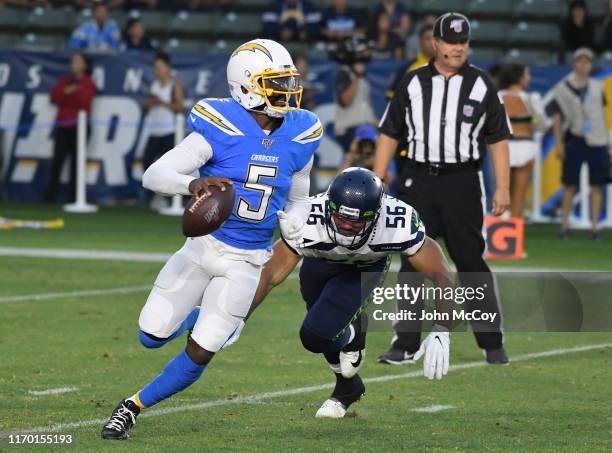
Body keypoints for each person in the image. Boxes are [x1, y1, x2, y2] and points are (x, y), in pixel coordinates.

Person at [100, 39, 322, 440]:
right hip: (203, 248)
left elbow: (300, 190)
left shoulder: (302, 131)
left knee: (202, 351)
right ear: (246, 85)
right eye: (276, 82)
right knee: (150, 336)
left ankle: (131, 407)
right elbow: (153, 175)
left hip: (249, 260)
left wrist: (298, 223)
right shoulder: (219, 124)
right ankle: (197, 314)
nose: (288, 91)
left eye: (289, 81)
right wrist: (194, 182)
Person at [232, 168, 455, 418]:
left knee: (315, 335)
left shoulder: (397, 222)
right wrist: (238, 316)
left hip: (364, 269)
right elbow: (269, 274)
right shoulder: (306, 218)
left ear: (376, 216)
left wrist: (442, 328)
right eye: (341, 219)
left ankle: (352, 333)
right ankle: (348, 386)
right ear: (329, 208)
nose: (347, 226)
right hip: (318, 264)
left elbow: (441, 273)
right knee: (324, 331)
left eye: (356, 221)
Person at [374, 12, 511, 365]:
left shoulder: (482, 85)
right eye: (450, 42)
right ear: (435, 43)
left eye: (462, 42)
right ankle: (404, 343)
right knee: (412, 261)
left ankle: (491, 342)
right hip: (417, 180)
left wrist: (503, 187)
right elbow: (389, 131)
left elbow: (498, 139)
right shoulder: (412, 83)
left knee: (469, 261)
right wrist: (378, 177)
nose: (457, 48)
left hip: (462, 181)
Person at [550, 47, 609, 240]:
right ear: (574, 63)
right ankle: (564, 225)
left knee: (597, 185)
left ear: (591, 65)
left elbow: (603, 114)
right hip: (575, 139)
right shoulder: (563, 87)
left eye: (587, 62)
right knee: (569, 184)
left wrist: (608, 141)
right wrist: (558, 142)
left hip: (598, 139)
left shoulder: (598, 86)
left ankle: (594, 227)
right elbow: (557, 116)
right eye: (580, 61)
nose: (584, 65)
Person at [498, 62, 548, 218]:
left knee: (502, 194)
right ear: (518, 77)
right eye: (526, 74)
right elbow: (542, 124)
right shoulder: (532, 98)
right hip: (525, 146)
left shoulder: (497, 96)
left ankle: (500, 236)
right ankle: (515, 237)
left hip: (503, 147)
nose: (528, 78)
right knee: (519, 194)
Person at [46, 52, 96, 203]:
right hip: (63, 125)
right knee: (57, 161)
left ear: (85, 65)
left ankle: (74, 197)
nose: (74, 64)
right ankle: (49, 197)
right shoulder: (65, 80)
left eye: (78, 61)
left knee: (77, 163)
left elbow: (83, 102)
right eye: (73, 61)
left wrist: (68, 94)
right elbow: (54, 97)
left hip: (79, 128)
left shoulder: (88, 83)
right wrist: (68, 93)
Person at [141, 51, 184, 206]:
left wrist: (163, 102)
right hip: (154, 130)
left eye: (159, 67)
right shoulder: (154, 85)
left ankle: (170, 198)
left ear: (167, 67)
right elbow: (146, 105)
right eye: (155, 67)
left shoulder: (174, 86)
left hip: (169, 130)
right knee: (146, 162)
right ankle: (153, 195)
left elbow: (180, 107)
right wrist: (151, 102)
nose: (157, 70)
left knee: (170, 167)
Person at [333, 35, 377, 153]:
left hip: (365, 126)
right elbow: (345, 101)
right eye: (363, 51)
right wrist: (357, 77)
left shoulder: (363, 74)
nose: (366, 54)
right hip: (350, 128)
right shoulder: (344, 73)